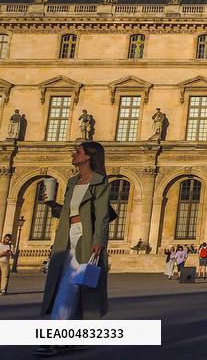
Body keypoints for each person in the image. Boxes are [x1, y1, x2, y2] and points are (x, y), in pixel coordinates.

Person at [36, 142, 112, 356]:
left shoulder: (99, 182)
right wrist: (53, 206)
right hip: (67, 236)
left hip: (86, 239)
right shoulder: (72, 182)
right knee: (72, 285)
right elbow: (69, 212)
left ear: (88, 157)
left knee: (69, 284)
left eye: (77, 151)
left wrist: (99, 240)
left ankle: (53, 338)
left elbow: (102, 215)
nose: (73, 154)